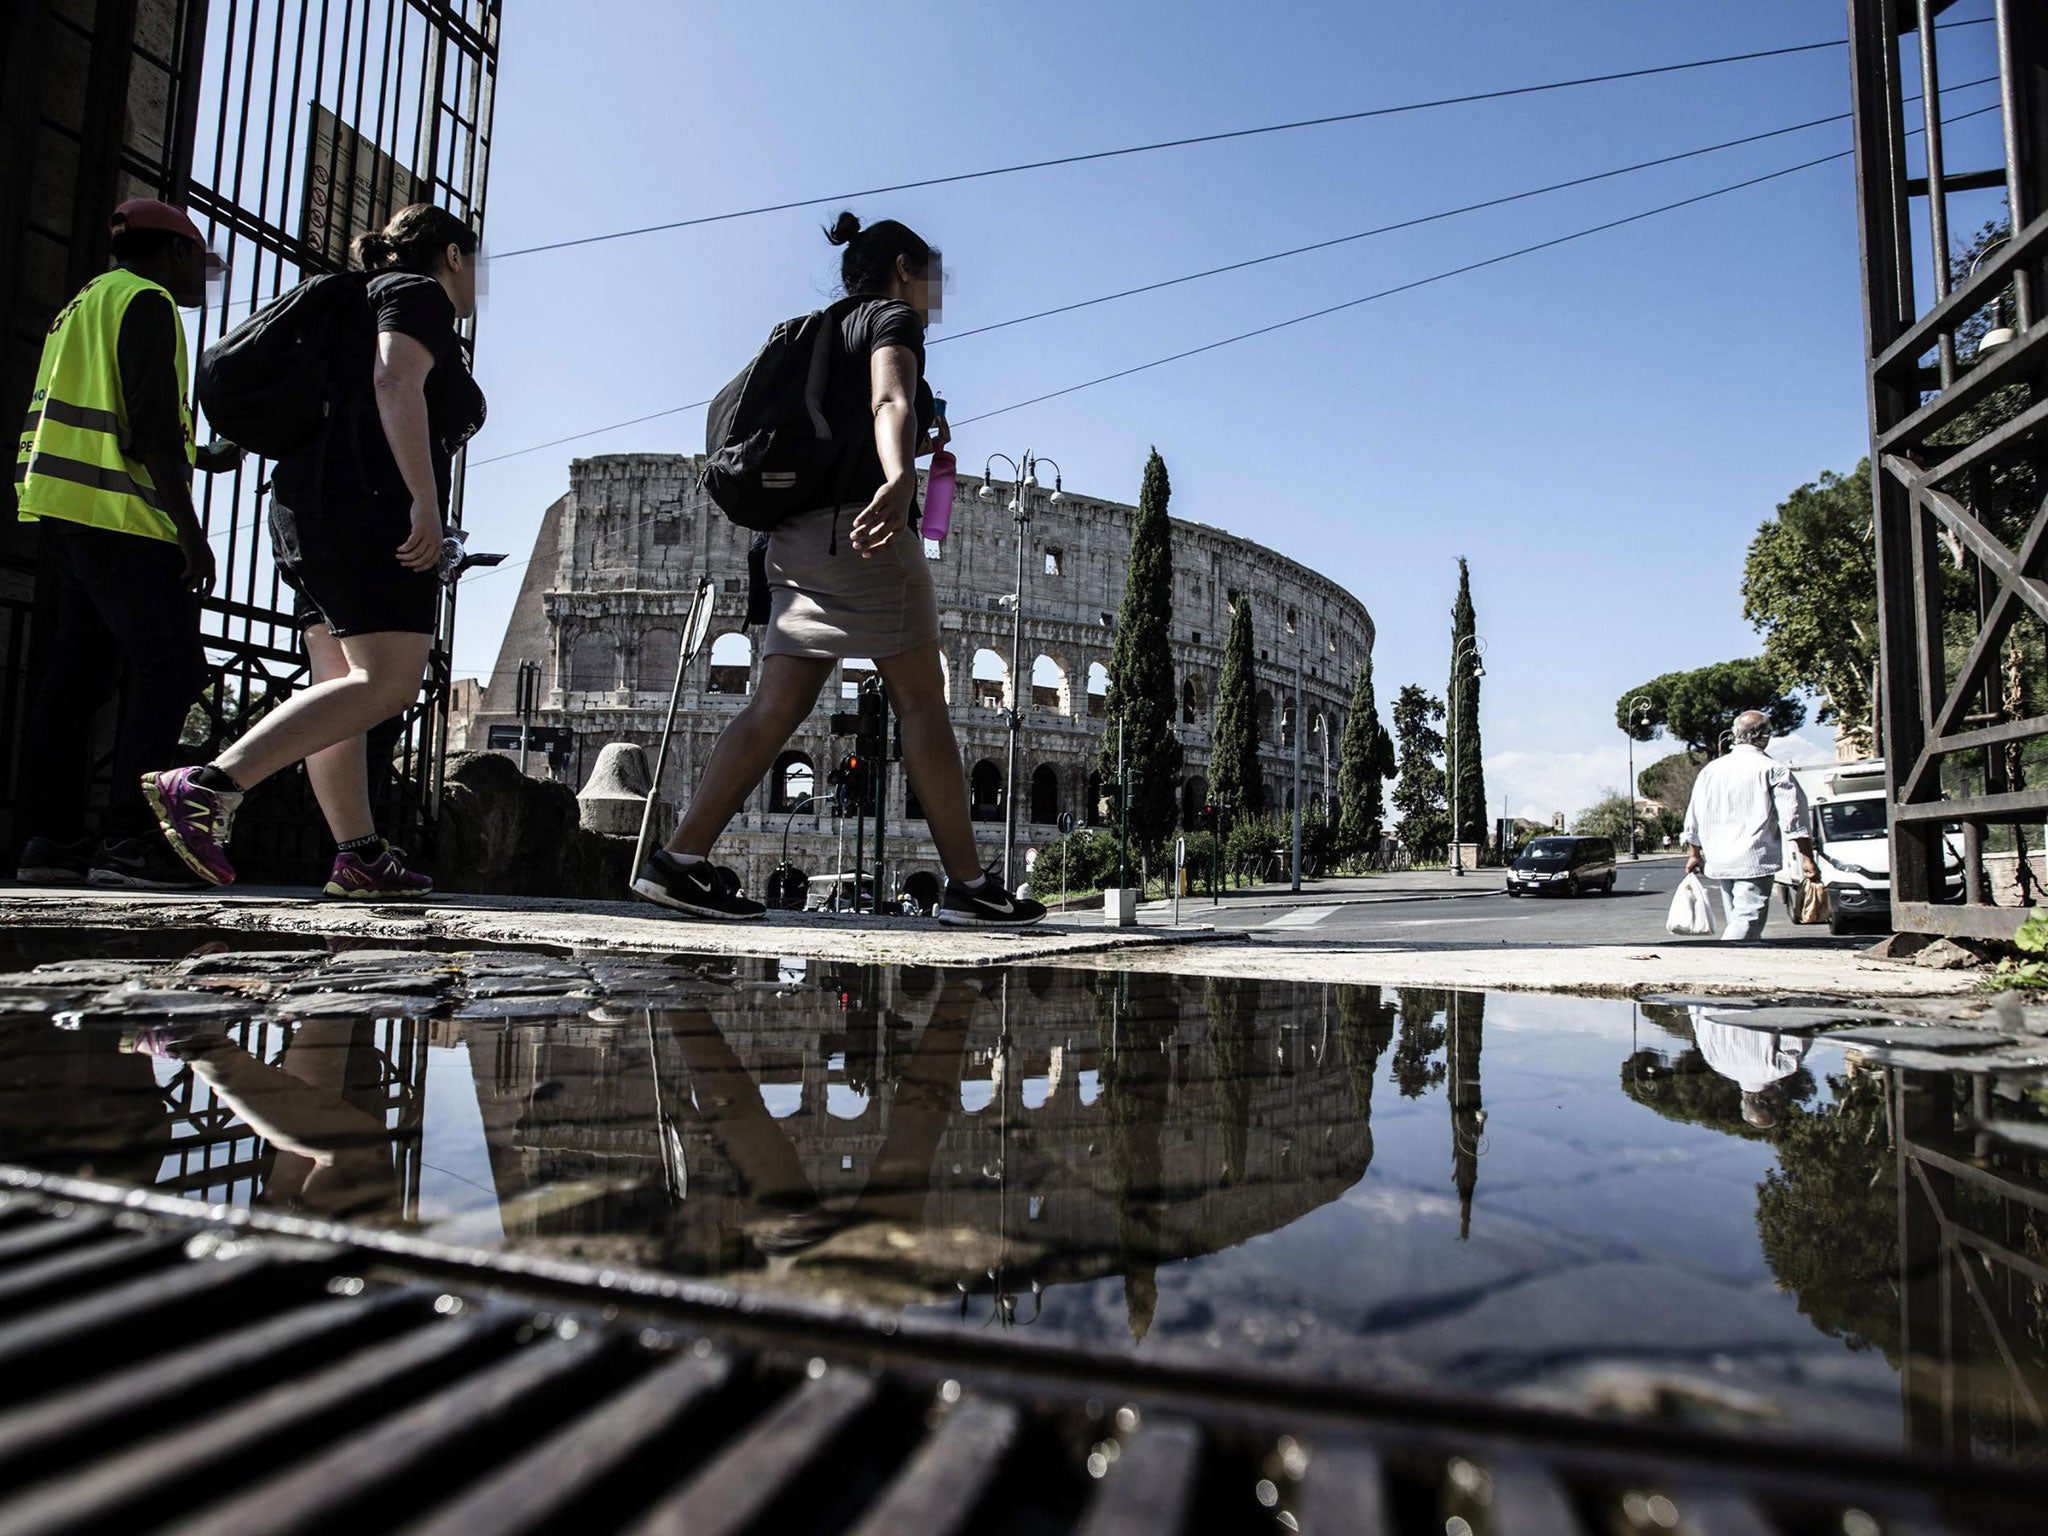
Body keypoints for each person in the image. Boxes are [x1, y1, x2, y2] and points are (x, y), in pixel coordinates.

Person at [633, 212, 1044, 926]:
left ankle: (679, 861)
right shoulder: (891, 318)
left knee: (775, 706)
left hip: (793, 538)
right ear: (905, 269)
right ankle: (969, 887)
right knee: (922, 703)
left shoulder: (814, 329)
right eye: (932, 280)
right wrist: (898, 478)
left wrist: (905, 451)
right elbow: (892, 398)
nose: (933, 298)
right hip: (864, 536)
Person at [142, 203, 486, 898]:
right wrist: (425, 501)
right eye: (475, 264)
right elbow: (396, 381)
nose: (477, 280)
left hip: (308, 503)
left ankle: (357, 854)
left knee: (339, 690)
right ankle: (209, 786)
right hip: (366, 507)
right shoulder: (417, 295)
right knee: (389, 682)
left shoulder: (360, 302)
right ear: (452, 256)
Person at [13, 199, 241, 889]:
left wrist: (200, 456)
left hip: (61, 509)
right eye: (200, 262)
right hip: (121, 519)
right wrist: (191, 534)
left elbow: (107, 417)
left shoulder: (83, 304)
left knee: (76, 679)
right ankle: (128, 840)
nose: (203, 279)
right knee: (171, 669)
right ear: (173, 253)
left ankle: (49, 840)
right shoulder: (149, 303)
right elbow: (143, 428)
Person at [1680, 709, 1817, 941]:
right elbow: (1794, 818)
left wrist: (1694, 853)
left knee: (1737, 917)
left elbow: (1693, 814)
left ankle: (1743, 963)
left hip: (1719, 857)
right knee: (1746, 920)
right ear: (1763, 737)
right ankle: (1727, 961)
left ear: (1736, 734)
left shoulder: (1710, 770)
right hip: (1754, 857)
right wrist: (1807, 857)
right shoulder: (1773, 769)